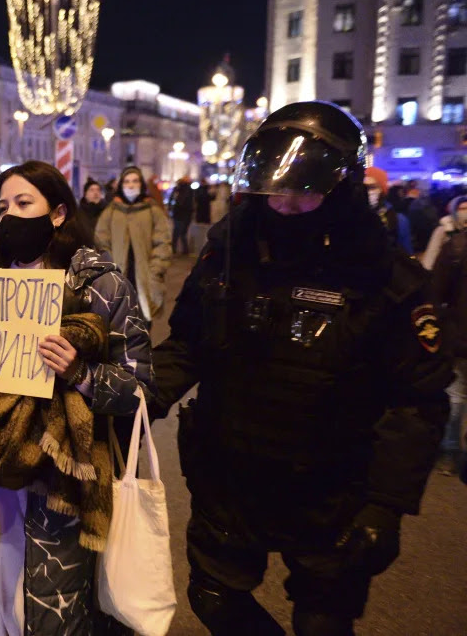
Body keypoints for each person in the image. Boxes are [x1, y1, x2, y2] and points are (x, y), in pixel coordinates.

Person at [148, 102, 451, 636]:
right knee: (214, 595)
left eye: (304, 189)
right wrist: (138, 397)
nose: (284, 203)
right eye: (275, 187)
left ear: (342, 189)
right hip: (231, 474)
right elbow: (187, 344)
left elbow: (418, 400)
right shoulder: (229, 250)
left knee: (323, 621)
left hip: (331, 489)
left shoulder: (383, 274)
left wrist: (386, 505)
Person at [0, 161, 153, 636]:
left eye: (24, 204)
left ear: (59, 212)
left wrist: (79, 372)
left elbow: (139, 387)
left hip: (62, 481)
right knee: (2, 599)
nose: (10, 217)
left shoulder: (100, 285)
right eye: (2, 207)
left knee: (54, 612)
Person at [95, 165, 172, 325]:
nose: (131, 185)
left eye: (135, 181)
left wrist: (156, 270)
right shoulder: (111, 212)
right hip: (118, 277)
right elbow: (101, 242)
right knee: (117, 325)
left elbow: (162, 243)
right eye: (127, 181)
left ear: (141, 184)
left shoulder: (152, 211)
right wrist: (108, 268)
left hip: (145, 277)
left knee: (143, 324)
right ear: (121, 185)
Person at [431, 229, 467, 476]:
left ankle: (449, 451)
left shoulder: (458, 242)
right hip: (462, 336)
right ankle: (450, 449)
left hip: (461, 335)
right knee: (456, 395)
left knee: (456, 395)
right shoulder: (457, 244)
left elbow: (435, 292)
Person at [365, 166, 412, 254]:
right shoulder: (348, 217)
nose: (366, 192)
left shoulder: (398, 220)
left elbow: (407, 255)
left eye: (372, 187)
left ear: (382, 190)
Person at [422, 195, 467, 271]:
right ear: (454, 211)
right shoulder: (443, 230)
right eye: (462, 209)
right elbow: (431, 254)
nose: (465, 212)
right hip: (448, 274)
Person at [168, 177, 195, 255]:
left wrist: (171, 208)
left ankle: (175, 249)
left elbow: (173, 200)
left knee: (177, 232)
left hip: (179, 213)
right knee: (182, 233)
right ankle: (183, 250)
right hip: (184, 214)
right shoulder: (189, 190)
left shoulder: (179, 190)